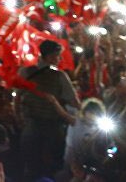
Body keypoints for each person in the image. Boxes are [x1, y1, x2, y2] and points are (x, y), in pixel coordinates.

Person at [18, 39, 81, 180]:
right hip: (52, 126)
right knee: (50, 165)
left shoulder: (25, 71)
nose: (59, 60)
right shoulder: (60, 76)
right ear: (50, 56)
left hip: (29, 124)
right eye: (58, 56)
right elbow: (75, 102)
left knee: (30, 165)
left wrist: (19, 117)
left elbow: (17, 97)